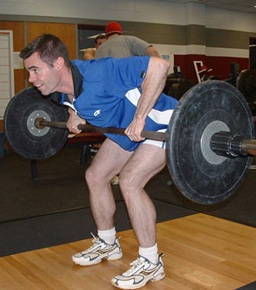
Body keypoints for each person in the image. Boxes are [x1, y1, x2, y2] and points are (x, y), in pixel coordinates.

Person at [19, 34, 178, 289]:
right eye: (29, 71)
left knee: (129, 182)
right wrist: (74, 113)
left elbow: (159, 66)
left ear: (58, 63)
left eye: (35, 70)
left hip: (160, 124)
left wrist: (140, 117)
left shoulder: (102, 72)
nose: (31, 79)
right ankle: (107, 243)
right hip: (126, 131)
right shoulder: (59, 87)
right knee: (95, 176)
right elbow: (75, 98)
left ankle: (151, 261)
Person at [95, 21, 161, 59]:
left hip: (105, 82)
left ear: (106, 35)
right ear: (120, 32)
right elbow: (153, 52)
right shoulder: (129, 40)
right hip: (126, 81)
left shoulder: (99, 49)